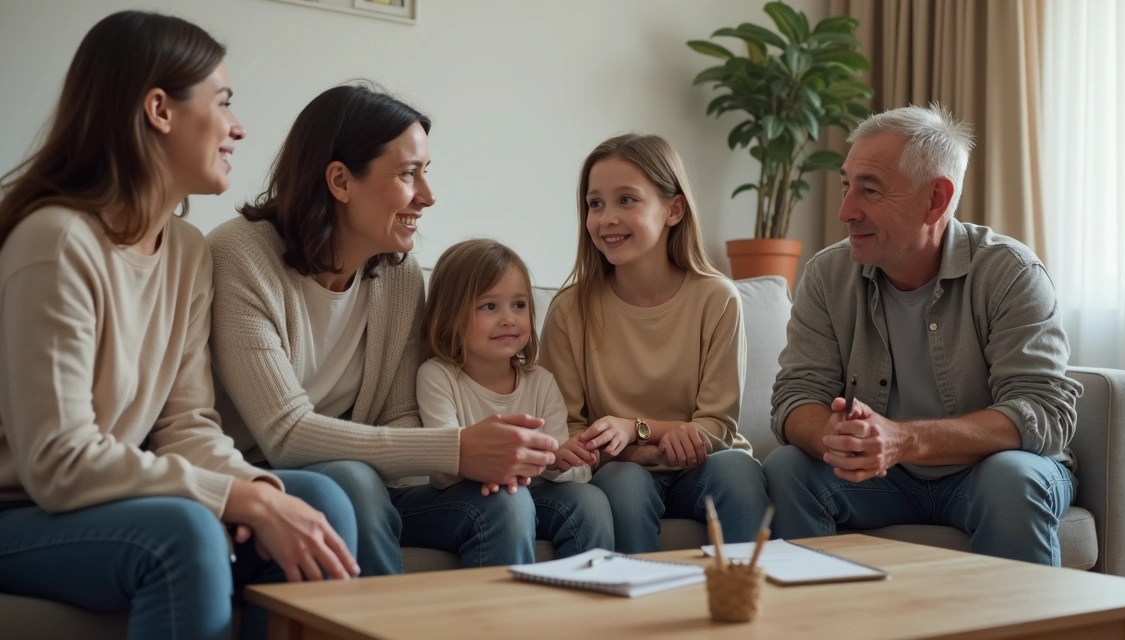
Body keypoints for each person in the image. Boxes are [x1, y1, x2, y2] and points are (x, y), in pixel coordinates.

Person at [0, 11, 359, 640]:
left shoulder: (188, 251)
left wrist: (260, 490)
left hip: (112, 498)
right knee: (187, 532)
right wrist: (236, 499)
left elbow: (184, 424)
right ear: (159, 110)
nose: (239, 128)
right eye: (223, 102)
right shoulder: (56, 242)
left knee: (321, 500)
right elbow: (57, 462)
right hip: (21, 512)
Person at [209, 84, 559, 575]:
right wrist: (458, 448)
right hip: (259, 484)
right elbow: (283, 435)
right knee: (353, 480)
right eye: (408, 174)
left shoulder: (398, 274)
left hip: (365, 481)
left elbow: (399, 415)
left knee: (506, 504)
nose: (429, 196)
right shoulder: (240, 256)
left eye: (426, 174)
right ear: (340, 180)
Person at [763, 104, 1082, 566]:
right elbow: (795, 396)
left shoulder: (1010, 272)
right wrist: (833, 436)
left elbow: (1043, 411)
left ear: (936, 198)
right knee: (787, 467)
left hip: (986, 474)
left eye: (869, 190)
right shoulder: (827, 275)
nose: (845, 211)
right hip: (879, 481)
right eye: (847, 186)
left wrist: (904, 439)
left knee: (1012, 479)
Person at [540, 133, 769, 554]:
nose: (606, 218)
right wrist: (630, 453)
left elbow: (717, 428)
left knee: (738, 470)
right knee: (623, 485)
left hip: (706, 467)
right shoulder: (569, 311)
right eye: (595, 203)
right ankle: (639, 612)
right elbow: (566, 432)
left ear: (673, 209)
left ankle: (749, 606)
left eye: (626, 200)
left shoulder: (717, 299)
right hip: (621, 468)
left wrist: (637, 429)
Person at [416, 238, 614, 558]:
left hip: (529, 493)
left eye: (519, 305)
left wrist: (557, 461)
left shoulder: (542, 382)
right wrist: (504, 466)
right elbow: (442, 469)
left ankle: (593, 603)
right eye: (489, 306)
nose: (509, 319)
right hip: (468, 497)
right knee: (511, 501)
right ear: (451, 316)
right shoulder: (437, 376)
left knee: (590, 501)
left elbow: (577, 473)